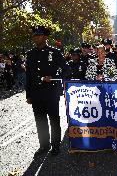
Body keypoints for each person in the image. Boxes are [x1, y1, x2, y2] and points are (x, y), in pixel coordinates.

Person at [25, 25, 71, 156]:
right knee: (40, 121)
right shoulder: (30, 54)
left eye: (38, 35)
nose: (35, 38)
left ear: (45, 37)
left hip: (51, 93)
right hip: (36, 93)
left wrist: (54, 77)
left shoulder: (55, 53)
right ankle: (43, 145)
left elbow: (67, 70)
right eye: (34, 35)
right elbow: (29, 76)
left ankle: (55, 146)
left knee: (54, 120)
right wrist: (28, 94)